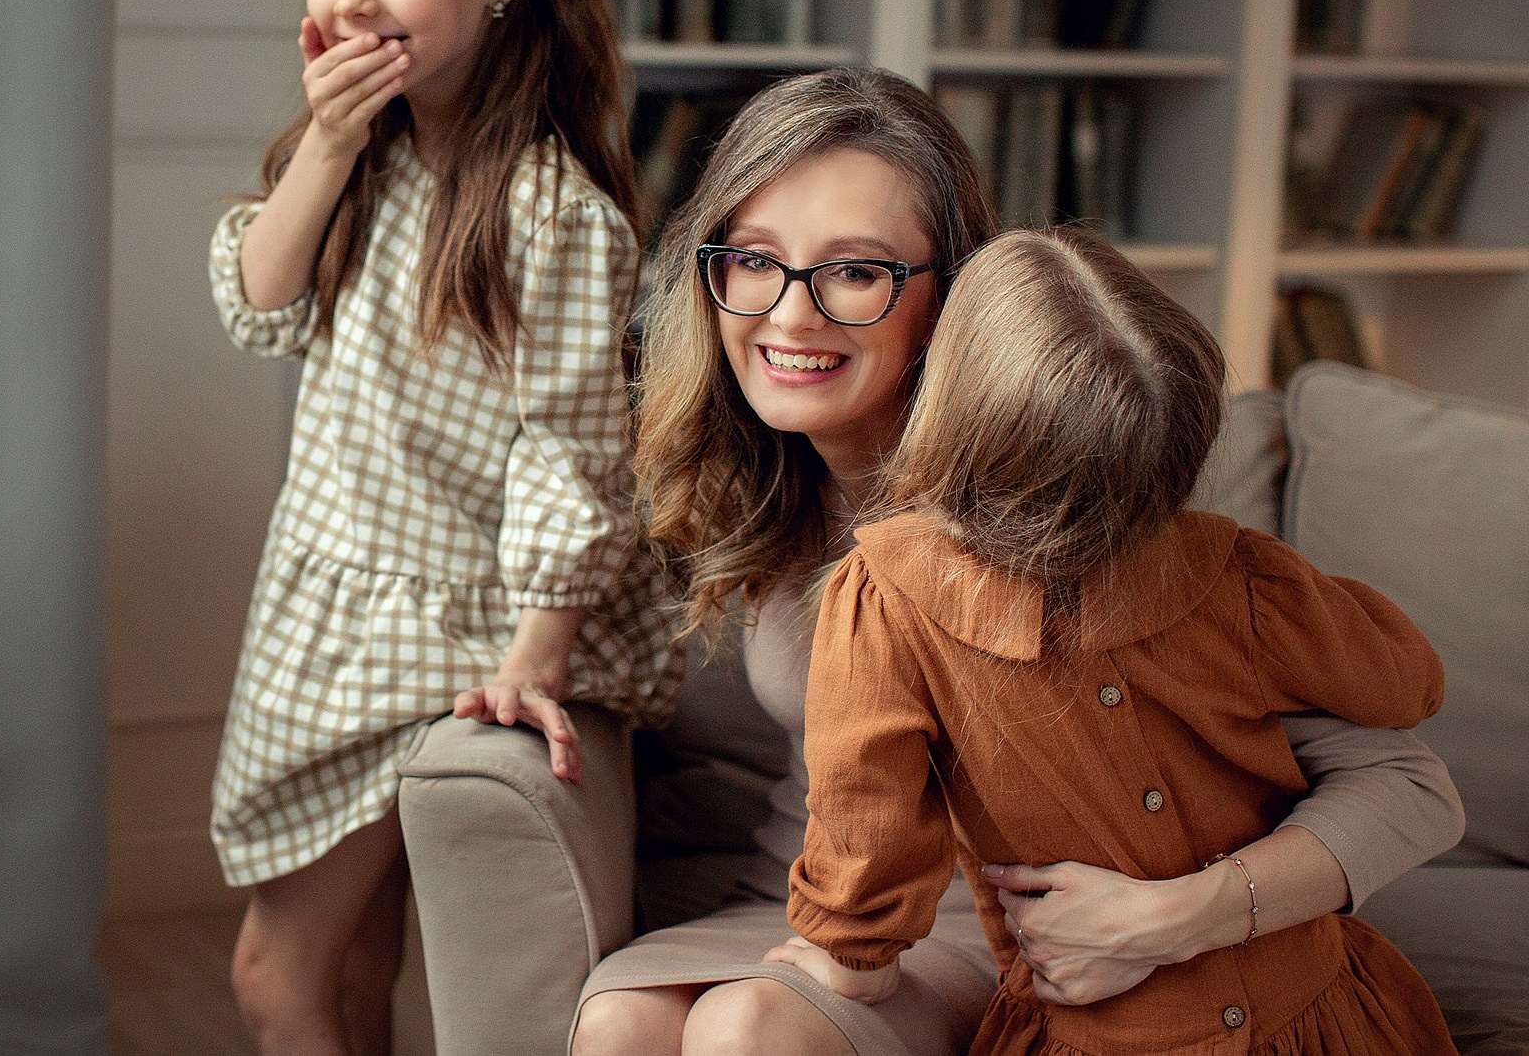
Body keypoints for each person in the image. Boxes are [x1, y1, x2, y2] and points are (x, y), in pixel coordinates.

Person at [572, 68, 1464, 1056]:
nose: (787, 313)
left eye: (854, 272)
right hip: (801, 890)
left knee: (742, 1029)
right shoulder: (760, 467)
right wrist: (528, 665)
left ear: (954, 296)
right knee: (621, 1025)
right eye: (751, 258)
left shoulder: (1055, 503)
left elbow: (1399, 777)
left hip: (994, 920)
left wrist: (1176, 915)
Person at [207, 0, 679, 1056]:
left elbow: (571, 452)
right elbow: (256, 305)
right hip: (322, 598)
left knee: (275, 973)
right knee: (354, 967)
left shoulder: (552, 214)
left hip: (440, 623)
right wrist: (325, 138)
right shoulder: (357, 154)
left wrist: (533, 655)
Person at [777, 225, 1455, 1052]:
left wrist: (852, 960)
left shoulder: (886, 597)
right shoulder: (1239, 575)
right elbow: (1405, 676)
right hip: (1306, 1019)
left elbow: (866, 854)